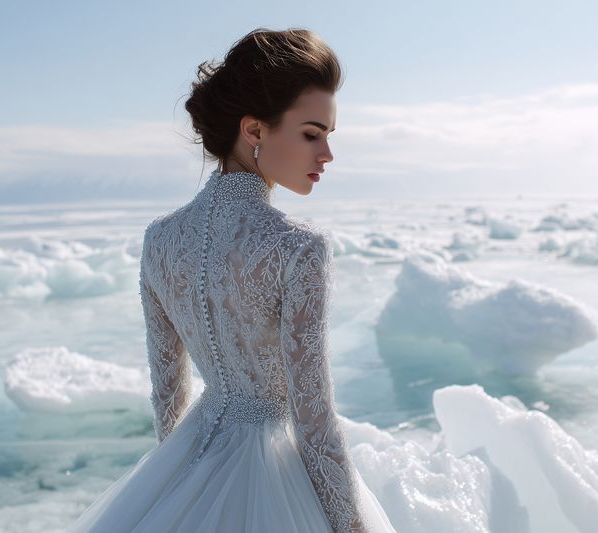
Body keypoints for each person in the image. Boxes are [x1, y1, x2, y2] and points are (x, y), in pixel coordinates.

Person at [70, 27, 396, 533]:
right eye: (312, 134)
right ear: (255, 130)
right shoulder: (298, 247)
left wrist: (180, 489)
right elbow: (313, 418)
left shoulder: (160, 240)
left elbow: (168, 396)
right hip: (276, 478)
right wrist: (352, 527)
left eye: (329, 135)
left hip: (189, 459)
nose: (327, 154)